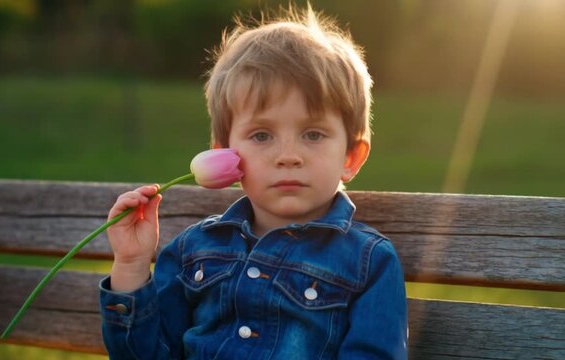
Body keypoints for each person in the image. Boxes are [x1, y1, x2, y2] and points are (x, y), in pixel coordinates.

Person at [99, 4, 408, 359]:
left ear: (350, 157)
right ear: (225, 156)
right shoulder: (192, 251)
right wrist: (131, 265)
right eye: (262, 136)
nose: (288, 155)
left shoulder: (368, 262)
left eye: (313, 134)